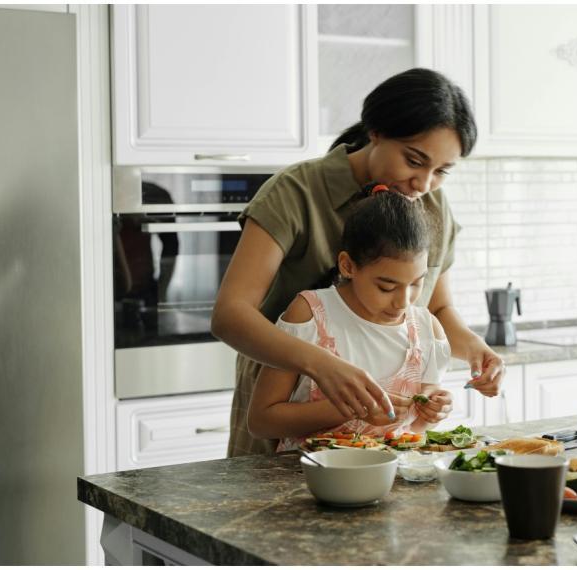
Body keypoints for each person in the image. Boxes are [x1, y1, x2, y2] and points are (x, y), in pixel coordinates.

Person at [212, 68, 506, 456]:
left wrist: (475, 350)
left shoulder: (432, 205)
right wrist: (322, 365)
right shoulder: (296, 192)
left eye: (441, 172)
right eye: (414, 160)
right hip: (285, 407)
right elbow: (230, 315)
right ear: (376, 132)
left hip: (381, 442)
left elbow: (436, 307)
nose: (424, 183)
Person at [247, 187, 452, 450]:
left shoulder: (426, 329)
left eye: (416, 283)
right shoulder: (310, 314)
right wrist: (350, 409)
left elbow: (417, 428)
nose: (403, 301)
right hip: (308, 480)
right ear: (347, 266)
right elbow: (262, 421)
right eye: (387, 287)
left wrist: (433, 411)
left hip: (392, 480)